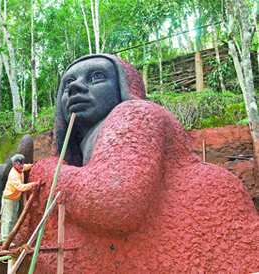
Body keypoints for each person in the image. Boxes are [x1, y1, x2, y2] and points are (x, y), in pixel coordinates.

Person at [17, 54, 259, 273]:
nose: (76, 87)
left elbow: (112, 203)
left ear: (124, 87)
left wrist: (46, 172)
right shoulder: (85, 151)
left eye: (97, 77)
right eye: (68, 83)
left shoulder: (135, 114)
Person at [0, 154, 38, 245]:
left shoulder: (20, 168)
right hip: (9, 199)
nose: (21, 166)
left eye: (22, 164)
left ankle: (2, 239)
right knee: (8, 219)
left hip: (15, 198)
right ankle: (5, 240)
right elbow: (19, 187)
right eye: (19, 164)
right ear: (14, 164)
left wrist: (32, 165)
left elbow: (25, 167)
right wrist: (32, 185)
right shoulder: (13, 174)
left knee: (12, 219)